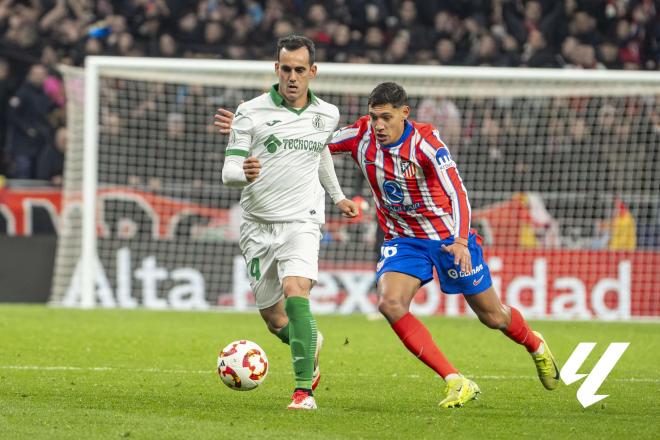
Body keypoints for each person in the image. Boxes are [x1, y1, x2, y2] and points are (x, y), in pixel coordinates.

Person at [217, 82, 560, 409]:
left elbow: (458, 192)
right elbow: (309, 144)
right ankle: (456, 380)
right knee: (390, 303)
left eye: (387, 118)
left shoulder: (427, 143)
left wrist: (460, 239)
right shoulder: (361, 134)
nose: (379, 125)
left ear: (404, 113)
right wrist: (256, 130)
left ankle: (535, 344)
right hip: (403, 240)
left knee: (492, 316)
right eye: (374, 116)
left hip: (446, 238)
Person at [218, 35, 358, 411]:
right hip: (258, 224)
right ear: (275, 68)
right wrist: (243, 173)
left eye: (300, 69)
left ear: (312, 72)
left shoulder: (327, 114)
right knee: (274, 318)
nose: (292, 77)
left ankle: (302, 392)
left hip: (303, 220)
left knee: (297, 289)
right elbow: (229, 169)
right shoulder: (249, 111)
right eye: (286, 68)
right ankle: (307, 341)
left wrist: (338, 196)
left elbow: (321, 154)